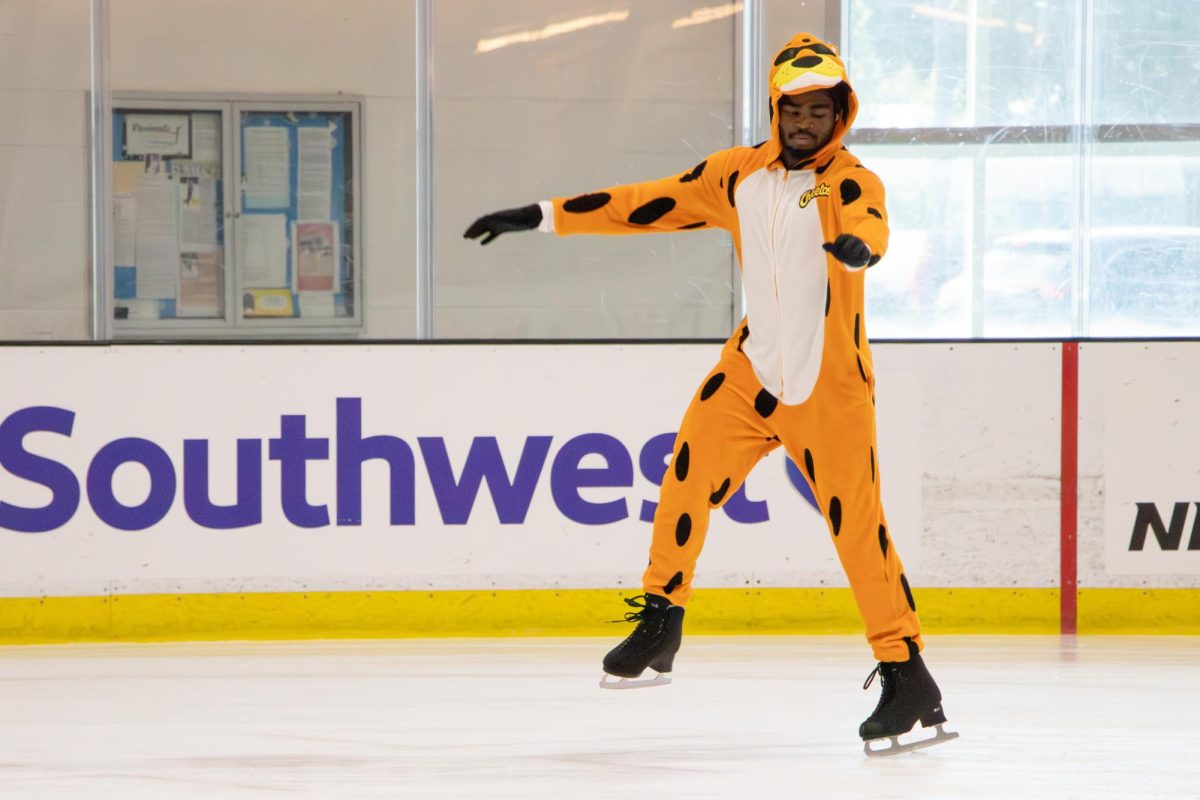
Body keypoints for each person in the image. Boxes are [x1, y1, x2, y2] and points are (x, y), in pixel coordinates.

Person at [464, 32, 956, 756]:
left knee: (859, 532)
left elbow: (866, 217)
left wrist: (863, 248)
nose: (804, 124)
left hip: (829, 388)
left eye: (819, 111)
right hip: (751, 373)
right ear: (775, 110)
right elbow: (644, 203)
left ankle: (907, 674)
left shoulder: (843, 179)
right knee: (685, 478)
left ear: (840, 113)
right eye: (793, 110)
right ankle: (662, 619)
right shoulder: (737, 176)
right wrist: (539, 215)